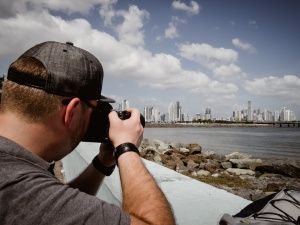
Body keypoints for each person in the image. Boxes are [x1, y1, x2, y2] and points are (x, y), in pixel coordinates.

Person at [0, 41, 176, 225]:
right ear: (73, 112)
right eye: (94, 110)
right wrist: (127, 148)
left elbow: (58, 209)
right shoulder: (21, 189)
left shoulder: (17, 182)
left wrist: (102, 163)